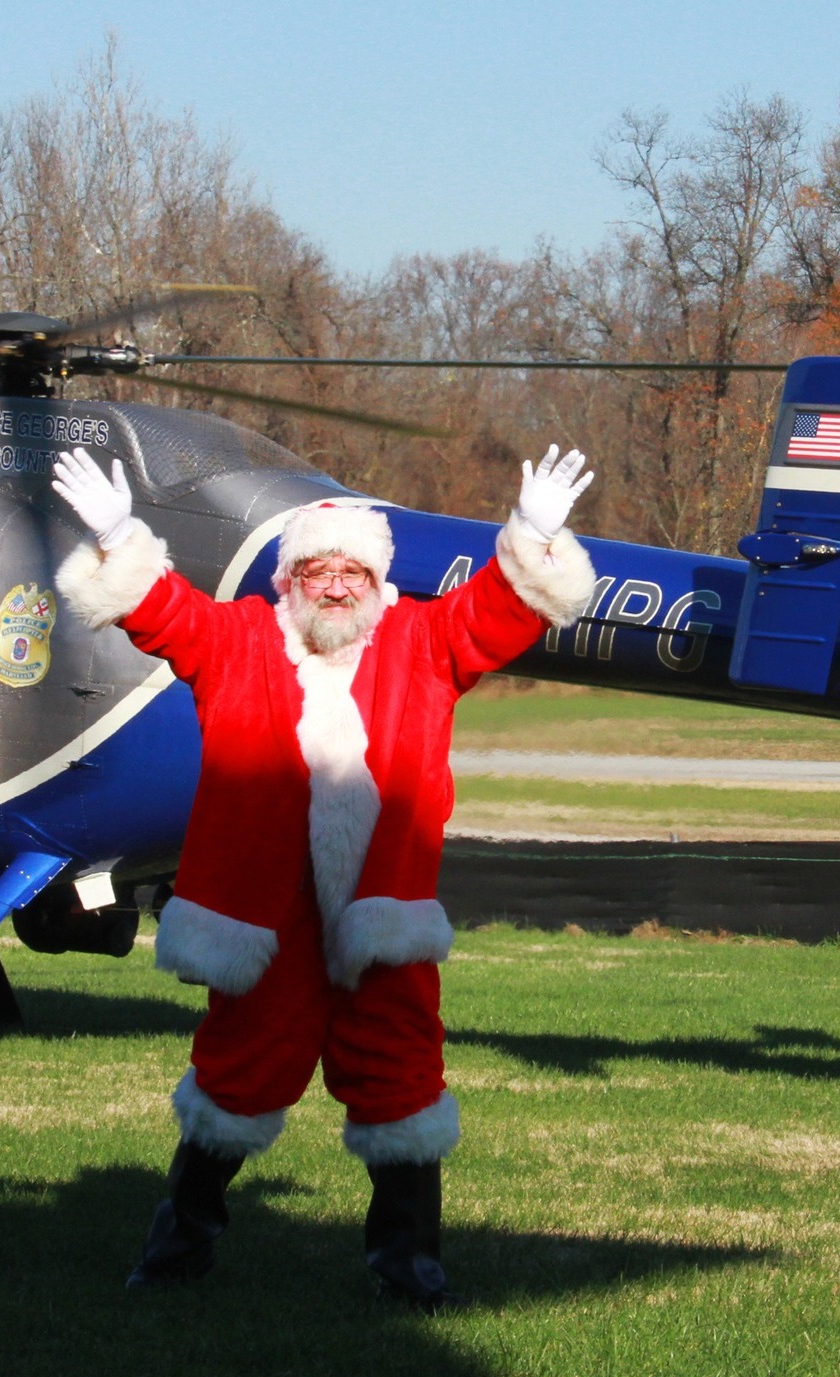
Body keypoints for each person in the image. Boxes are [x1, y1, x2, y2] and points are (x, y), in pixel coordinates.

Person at [53, 445, 596, 1308]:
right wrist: (122, 535)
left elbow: (498, 613)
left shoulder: (423, 642)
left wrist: (530, 535)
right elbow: (164, 613)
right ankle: (176, 1252)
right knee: (235, 1075)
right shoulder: (235, 644)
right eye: (317, 570)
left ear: (379, 584)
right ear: (287, 582)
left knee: (403, 1078)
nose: (336, 585)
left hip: (382, 918)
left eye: (353, 571)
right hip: (265, 920)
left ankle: (408, 1267)